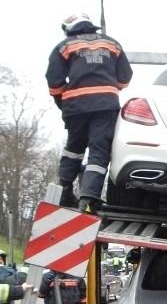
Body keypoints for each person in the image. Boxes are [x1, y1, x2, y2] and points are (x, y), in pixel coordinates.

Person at [46, 12, 133, 213]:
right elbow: (125, 78)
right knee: (99, 152)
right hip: (105, 107)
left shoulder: (64, 46)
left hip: (75, 108)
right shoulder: (112, 44)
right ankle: (87, 200)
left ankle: (65, 190)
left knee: (74, 149)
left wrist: (64, 103)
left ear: (68, 29)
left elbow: (54, 83)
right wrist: (108, 87)